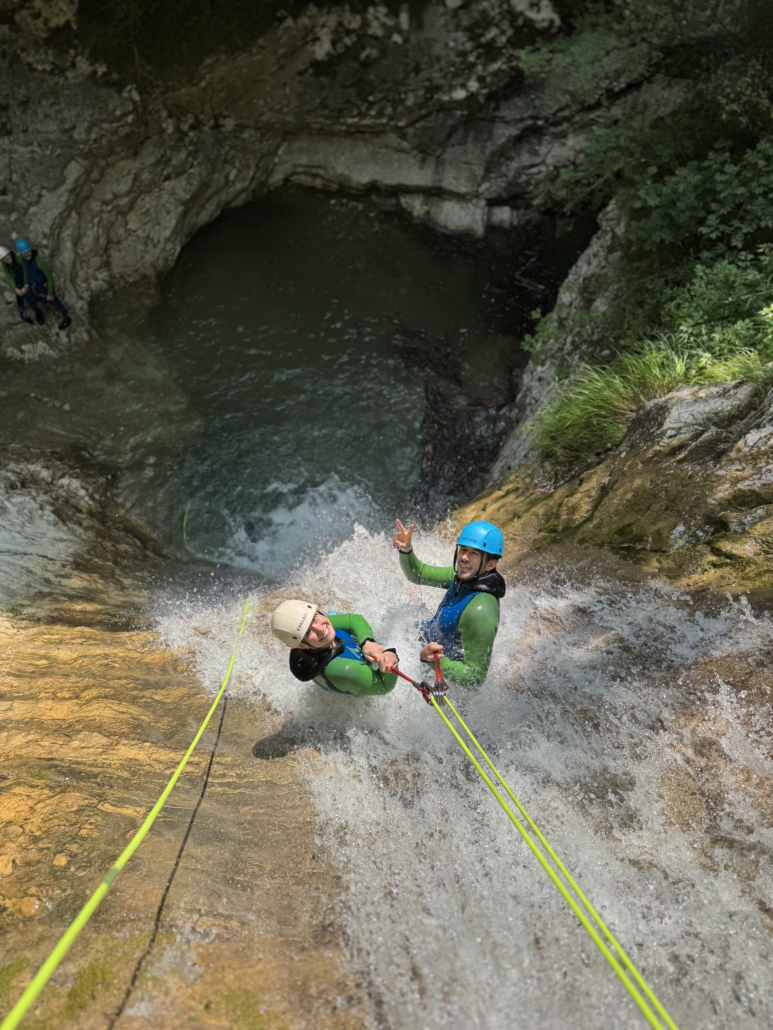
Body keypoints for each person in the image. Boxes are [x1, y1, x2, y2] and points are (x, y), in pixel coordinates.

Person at [393, 519, 506, 689]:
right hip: (423, 646)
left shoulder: (480, 611)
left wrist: (433, 661)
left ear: (491, 564)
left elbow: (475, 679)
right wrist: (406, 550)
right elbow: (419, 574)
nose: (464, 557)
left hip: (438, 672)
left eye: (474, 553)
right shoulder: (461, 576)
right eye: (463, 550)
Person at [271, 600, 399, 696]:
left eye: (314, 617)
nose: (321, 628)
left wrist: (367, 641)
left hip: (343, 669)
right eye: (308, 632)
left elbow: (352, 620)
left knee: (332, 617)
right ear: (301, 645)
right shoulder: (344, 670)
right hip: (349, 677)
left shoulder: (317, 632)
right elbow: (384, 687)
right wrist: (390, 656)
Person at [15, 238, 71, 330]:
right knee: (29, 297)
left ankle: (66, 319)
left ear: (30, 249)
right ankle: (38, 312)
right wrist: (26, 284)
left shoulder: (40, 261)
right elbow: (25, 271)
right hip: (35, 286)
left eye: (27, 251)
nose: (26, 254)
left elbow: (50, 278)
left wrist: (50, 293)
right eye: (24, 253)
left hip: (45, 286)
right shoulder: (23, 260)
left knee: (55, 301)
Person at [0, 244, 42, 324]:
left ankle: (37, 311)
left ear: (9, 254)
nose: (6, 259)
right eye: (4, 259)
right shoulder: (6, 265)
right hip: (19, 278)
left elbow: (26, 270)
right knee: (19, 294)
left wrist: (26, 285)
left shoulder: (18, 258)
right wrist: (15, 288)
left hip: (28, 277)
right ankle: (23, 312)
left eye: (6, 256)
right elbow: (10, 276)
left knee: (29, 295)